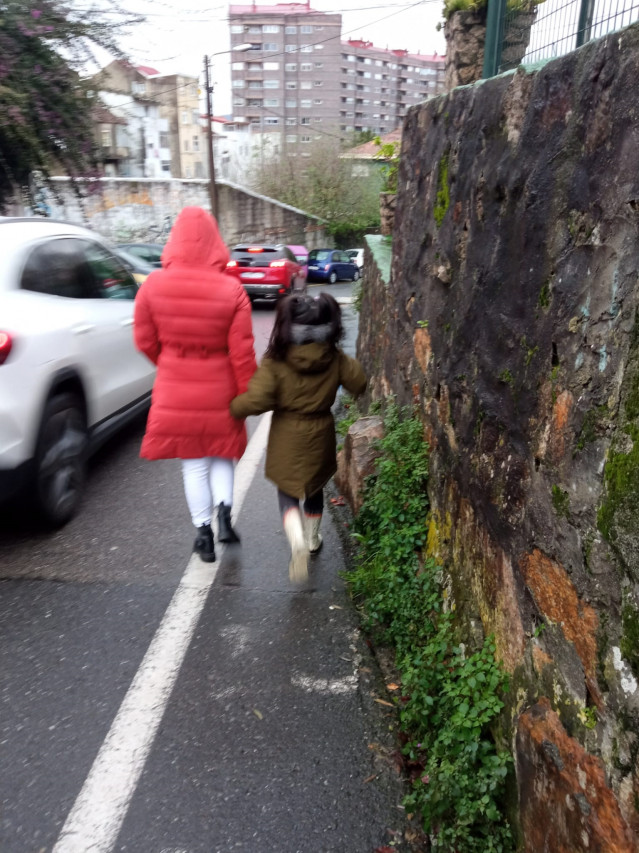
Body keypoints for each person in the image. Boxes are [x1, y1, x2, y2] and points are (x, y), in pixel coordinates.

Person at [134, 207, 257, 563]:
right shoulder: (232, 290)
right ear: (214, 242)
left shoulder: (152, 286)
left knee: (193, 464)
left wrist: (171, 363)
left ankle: (202, 533)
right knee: (222, 454)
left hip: (175, 387)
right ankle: (224, 518)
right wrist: (248, 393)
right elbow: (242, 352)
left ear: (175, 241)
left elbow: (144, 341)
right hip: (220, 388)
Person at [230, 292, 366, 583]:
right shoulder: (334, 357)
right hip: (321, 431)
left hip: (286, 434)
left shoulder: (276, 361)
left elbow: (257, 400)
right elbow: (360, 383)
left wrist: (232, 408)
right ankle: (313, 539)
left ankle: (296, 542)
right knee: (314, 488)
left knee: (288, 492)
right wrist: (340, 358)